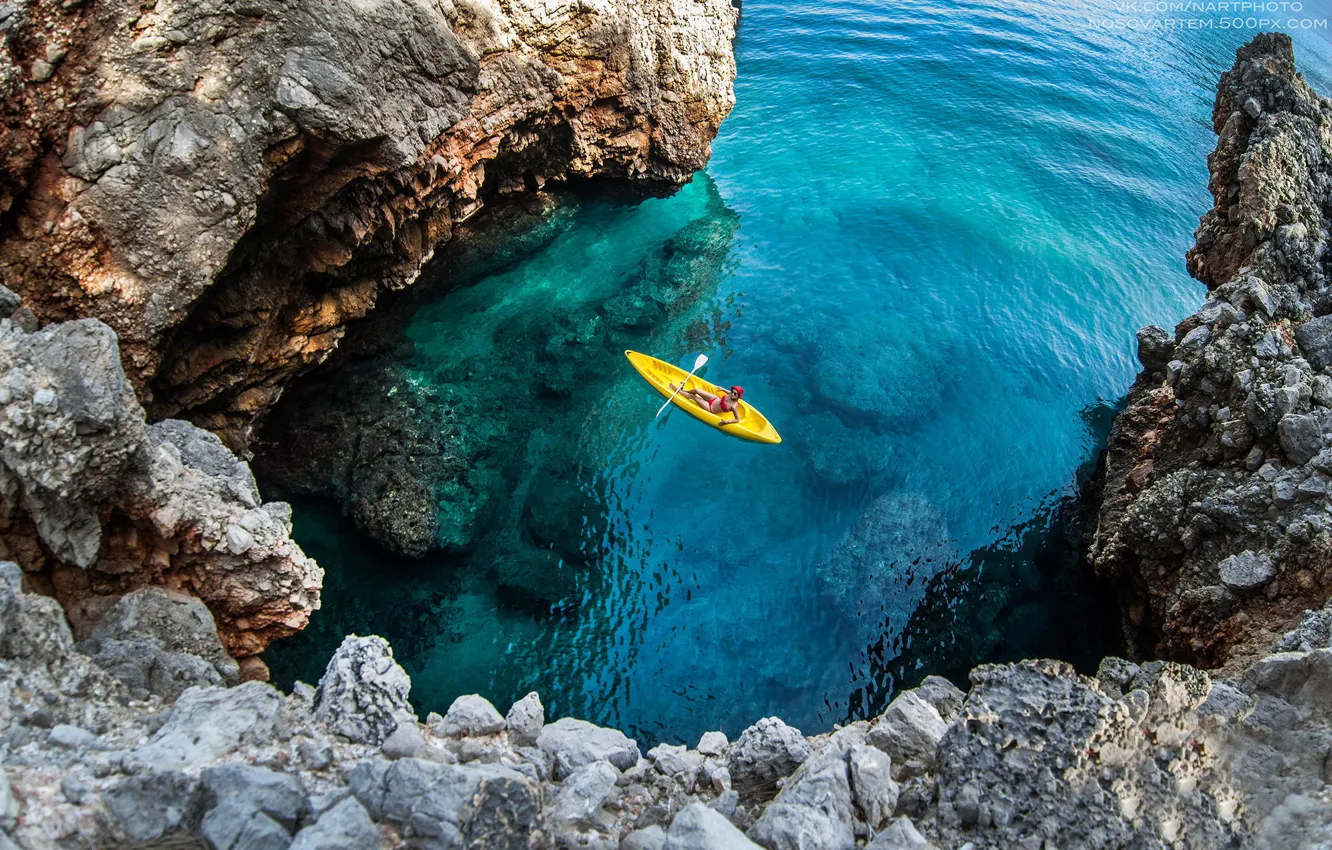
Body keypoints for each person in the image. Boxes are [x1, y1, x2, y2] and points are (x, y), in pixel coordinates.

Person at [669, 382, 744, 426]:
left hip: (710, 408)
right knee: (696, 390)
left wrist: (726, 422)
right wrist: (722, 388)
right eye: (732, 392)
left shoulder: (733, 406)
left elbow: (737, 419)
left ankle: (677, 390)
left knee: (693, 397)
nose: (732, 394)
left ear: (738, 396)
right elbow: (728, 392)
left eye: (735, 394)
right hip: (714, 399)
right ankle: (684, 390)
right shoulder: (731, 394)